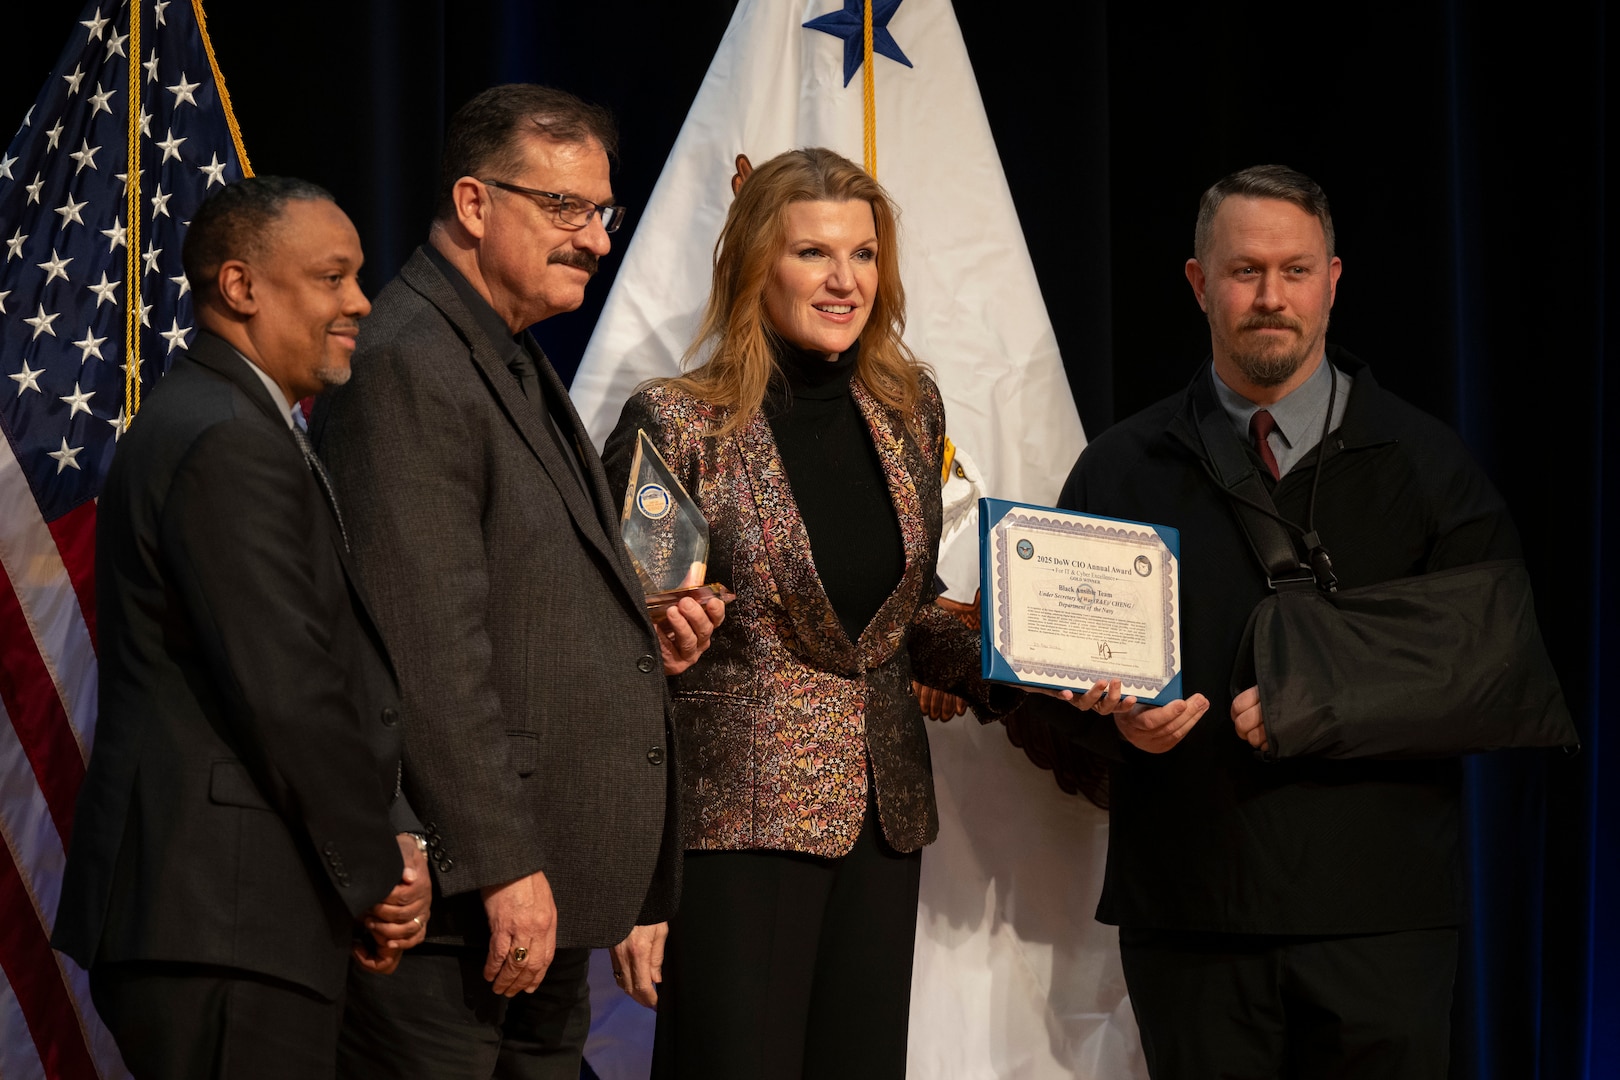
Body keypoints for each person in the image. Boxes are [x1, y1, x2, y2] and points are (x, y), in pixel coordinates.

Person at [1057, 164, 1532, 1078]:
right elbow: (1041, 697)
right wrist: (1120, 731)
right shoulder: (1120, 470)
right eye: (1243, 271)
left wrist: (1316, 699)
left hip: (1382, 920)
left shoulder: (1428, 466)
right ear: (1199, 284)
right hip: (1191, 918)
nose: (1271, 296)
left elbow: (1495, 672)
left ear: (1334, 280)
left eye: (1295, 270)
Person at [601, 147, 1042, 1080]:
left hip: (883, 825)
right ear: (755, 263)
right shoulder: (676, 423)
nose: (845, 281)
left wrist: (1020, 658)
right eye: (812, 254)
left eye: (865, 255)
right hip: (731, 833)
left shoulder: (906, 406)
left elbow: (903, 619)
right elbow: (623, 661)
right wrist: (644, 891)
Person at [311, 84, 723, 1078]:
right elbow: (428, 644)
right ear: (474, 203)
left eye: (603, 214)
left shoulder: (505, 357)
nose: (593, 238)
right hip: (465, 908)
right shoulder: (408, 360)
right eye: (565, 208)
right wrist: (501, 862)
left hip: (543, 893)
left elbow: (524, 599)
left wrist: (634, 634)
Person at [52, 177, 430, 1080]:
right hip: (218, 919)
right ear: (242, 287)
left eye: (357, 277)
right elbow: (289, 687)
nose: (359, 302)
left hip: (231, 917)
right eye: (332, 278)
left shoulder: (244, 420)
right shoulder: (225, 434)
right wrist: (375, 869)